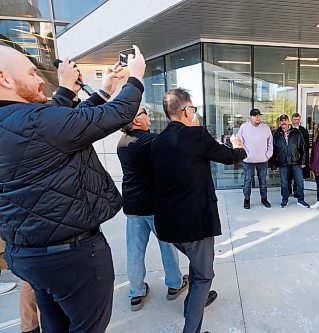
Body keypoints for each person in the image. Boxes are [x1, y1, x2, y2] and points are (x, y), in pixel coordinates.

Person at [0, 44, 145, 332]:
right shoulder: (34, 122)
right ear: (3, 78)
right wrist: (136, 77)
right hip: (72, 256)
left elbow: (64, 124)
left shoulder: (25, 124)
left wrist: (101, 91)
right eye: (32, 72)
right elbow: (116, 113)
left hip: (27, 256)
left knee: (55, 326)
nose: (42, 79)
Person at [151, 88, 246, 333]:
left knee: (197, 265)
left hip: (169, 225)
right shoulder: (196, 135)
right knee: (204, 276)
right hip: (196, 224)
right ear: (186, 110)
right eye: (193, 109)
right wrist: (238, 146)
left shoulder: (157, 142)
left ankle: (194, 302)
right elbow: (229, 157)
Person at [117, 106, 188, 312]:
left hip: (132, 205)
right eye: (145, 112)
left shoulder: (122, 143)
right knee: (167, 246)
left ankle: (136, 293)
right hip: (155, 206)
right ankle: (174, 285)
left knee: (135, 251)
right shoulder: (150, 141)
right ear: (137, 121)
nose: (148, 115)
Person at [271, 114, 310, 208]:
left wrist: (303, 161)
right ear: (279, 122)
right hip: (283, 162)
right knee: (284, 183)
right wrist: (273, 165)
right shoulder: (276, 134)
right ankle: (285, 200)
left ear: (288, 121)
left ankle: (301, 200)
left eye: (285, 120)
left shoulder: (296, 132)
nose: (283, 122)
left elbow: (303, 147)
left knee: (299, 182)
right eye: (281, 120)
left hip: (296, 161)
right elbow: (273, 150)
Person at [237, 108, 273, 209]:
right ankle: (247, 199)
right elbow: (240, 142)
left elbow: (270, 142)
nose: (258, 117)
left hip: (262, 160)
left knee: (263, 180)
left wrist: (268, 155)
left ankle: (264, 198)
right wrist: (245, 154)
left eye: (259, 115)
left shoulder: (265, 127)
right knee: (248, 180)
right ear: (251, 117)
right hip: (248, 160)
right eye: (255, 115)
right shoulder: (244, 127)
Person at [289, 113, 310, 197]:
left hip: (299, 156)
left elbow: (306, 144)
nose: (296, 121)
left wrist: (304, 158)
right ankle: (288, 190)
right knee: (288, 175)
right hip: (289, 156)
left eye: (297, 119)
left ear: (300, 120)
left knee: (298, 175)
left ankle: (296, 191)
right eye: (294, 119)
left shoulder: (303, 130)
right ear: (291, 120)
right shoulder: (288, 129)